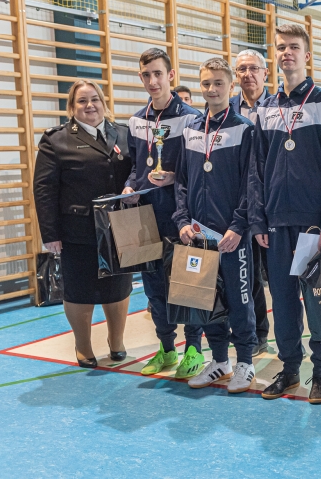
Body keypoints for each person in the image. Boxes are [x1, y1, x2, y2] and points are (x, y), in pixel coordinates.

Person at [249, 24, 321, 404]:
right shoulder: (265, 108)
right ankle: (289, 369)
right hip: (276, 223)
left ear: (307, 55)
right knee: (284, 303)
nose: (286, 52)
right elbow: (256, 168)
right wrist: (258, 219)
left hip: (314, 224)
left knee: (319, 302)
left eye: (293, 47)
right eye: (281, 47)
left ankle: (320, 372)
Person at [33, 80, 133, 368]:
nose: (90, 105)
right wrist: (50, 233)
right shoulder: (56, 140)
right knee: (79, 290)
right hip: (78, 230)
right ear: (72, 107)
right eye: (82, 101)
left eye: (95, 99)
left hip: (119, 227)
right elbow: (44, 189)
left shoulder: (123, 133)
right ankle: (83, 346)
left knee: (118, 287)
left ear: (103, 102)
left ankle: (116, 341)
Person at [173, 57, 257, 394]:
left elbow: (252, 183)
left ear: (231, 86)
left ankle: (245, 362)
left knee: (239, 301)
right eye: (206, 83)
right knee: (204, 300)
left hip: (232, 236)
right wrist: (182, 221)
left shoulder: (244, 129)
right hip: (198, 236)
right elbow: (181, 181)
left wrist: (238, 226)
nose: (212, 89)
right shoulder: (191, 129)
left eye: (219, 83)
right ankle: (219, 360)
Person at [122, 48, 205, 379]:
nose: (152, 81)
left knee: (189, 284)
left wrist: (174, 178)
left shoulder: (191, 118)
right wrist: (130, 186)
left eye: (158, 73)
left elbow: (198, 170)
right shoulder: (136, 121)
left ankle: (194, 349)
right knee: (154, 287)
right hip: (146, 217)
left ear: (171, 75)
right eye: (146, 75)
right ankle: (167, 348)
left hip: (181, 215)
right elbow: (135, 167)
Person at [230, 49, 272, 357]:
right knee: (249, 274)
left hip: (272, 203)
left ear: (265, 73)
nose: (248, 74)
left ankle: (292, 336)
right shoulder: (227, 108)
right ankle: (257, 332)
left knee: (282, 277)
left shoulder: (278, 106)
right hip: (239, 204)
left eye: (254, 68)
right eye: (242, 69)